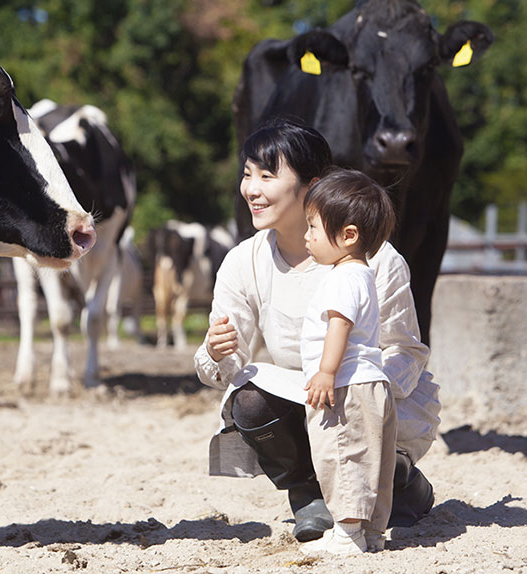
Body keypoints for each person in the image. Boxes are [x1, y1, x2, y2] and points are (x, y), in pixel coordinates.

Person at [194, 118, 439, 547]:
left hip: (369, 393)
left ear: (313, 184)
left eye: (267, 176)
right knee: (248, 400)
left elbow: (406, 352)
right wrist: (216, 352)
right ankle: (308, 493)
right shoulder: (242, 261)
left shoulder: (377, 260)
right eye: (247, 174)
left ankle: (398, 476)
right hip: (302, 393)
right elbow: (227, 363)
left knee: (375, 474)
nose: (251, 189)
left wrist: (360, 393)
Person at [298, 168, 397, 555]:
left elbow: (338, 326)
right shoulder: (362, 274)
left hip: (347, 385)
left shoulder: (342, 278)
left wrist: (326, 372)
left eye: (313, 228)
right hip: (371, 381)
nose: (306, 237)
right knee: (373, 459)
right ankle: (371, 531)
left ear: (349, 235)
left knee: (343, 454)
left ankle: (348, 533)